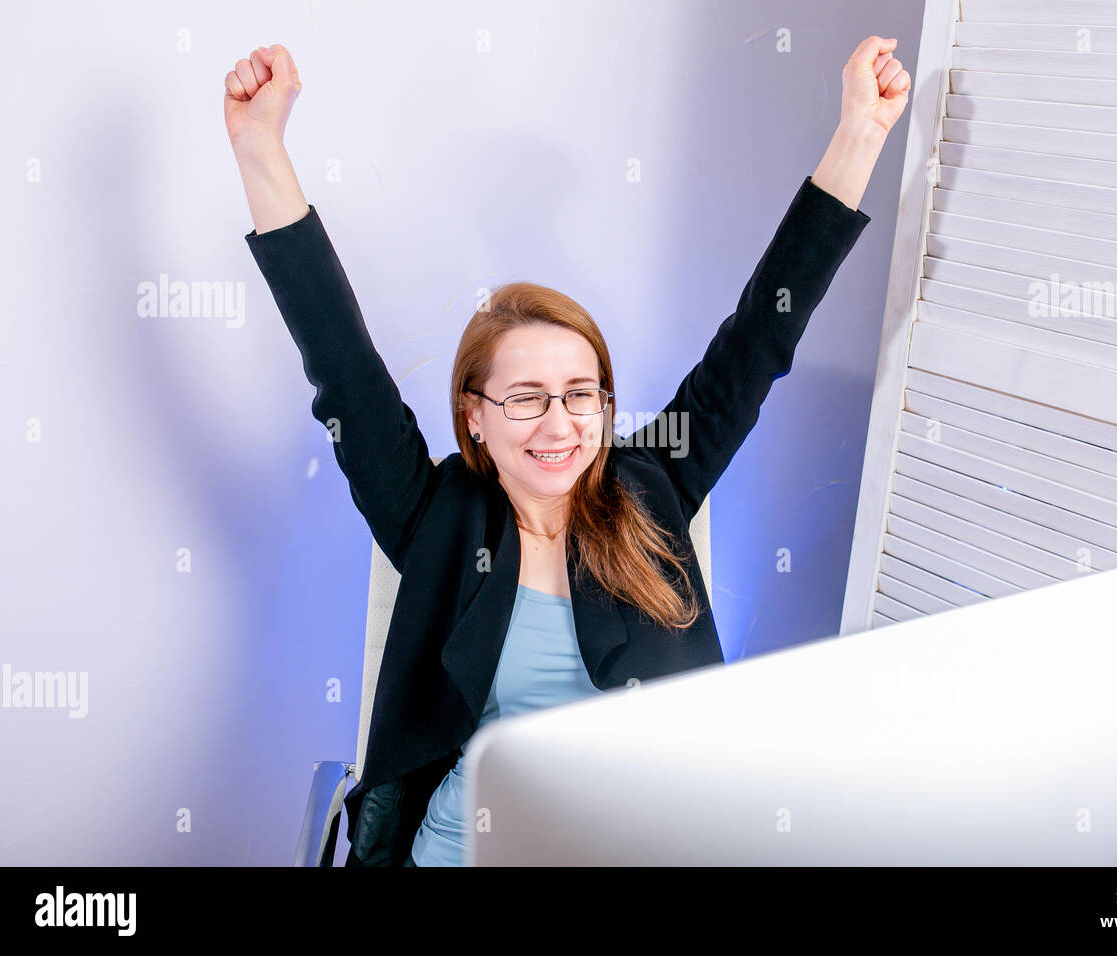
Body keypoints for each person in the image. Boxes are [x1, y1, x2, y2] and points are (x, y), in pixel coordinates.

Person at [224, 37, 908, 866]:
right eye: (525, 398)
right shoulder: (436, 515)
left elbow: (761, 336)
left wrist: (861, 134)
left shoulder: (654, 486)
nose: (560, 425)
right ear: (472, 416)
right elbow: (342, 364)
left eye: (581, 394)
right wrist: (260, 146)